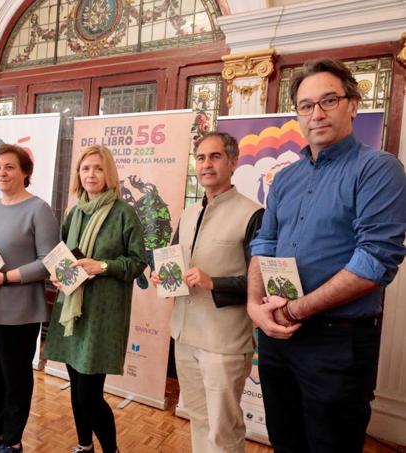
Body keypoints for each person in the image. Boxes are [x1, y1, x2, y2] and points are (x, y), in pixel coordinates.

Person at [247, 58, 406, 453]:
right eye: (305, 105)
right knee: (285, 442)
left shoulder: (378, 169)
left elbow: (375, 261)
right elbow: (264, 244)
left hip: (337, 343)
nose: (316, 113)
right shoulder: (285, 178)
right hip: (277, 337)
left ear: (353, 104)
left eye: (328, 100)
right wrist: (254, 305)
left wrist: (296, 310)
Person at [150, 132, 263, 453]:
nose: (206, 165)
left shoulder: (254, 214)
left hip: (223, 344)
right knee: (198, 419)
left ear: (232, 162)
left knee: (222, 431)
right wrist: (161, 275)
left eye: (215, 157)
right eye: (200, 158)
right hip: (184, 337)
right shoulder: (187, 214)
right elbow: (172, 258)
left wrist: (215, 281)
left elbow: (264, 283)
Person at [43, 144, 146, 453]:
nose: (91, 174)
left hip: (103, 315)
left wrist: (101, 266)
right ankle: (84, 446)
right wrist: (57, 273)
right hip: (71, 310)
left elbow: (138, 262)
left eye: (98, 168)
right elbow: (62, 253)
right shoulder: (74, 214)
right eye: (86, 168)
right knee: (76, 387)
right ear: (79, 173)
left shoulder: (124, 213)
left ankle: (110, 450)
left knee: (89, 395)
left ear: (109, 173)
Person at [0, 144, 59, 453]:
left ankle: (13, 440)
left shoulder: (38, 210)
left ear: (25, 172)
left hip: (18, 313)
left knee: (16, 379)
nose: (2, 173)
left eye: (10, 167)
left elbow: (50, 261)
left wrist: (4, 278)